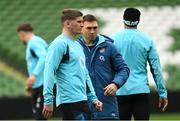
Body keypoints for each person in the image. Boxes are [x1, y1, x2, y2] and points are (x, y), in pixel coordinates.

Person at [42, 9, 103, 120]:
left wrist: (93, 98)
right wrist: (48, 100)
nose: (82, 24)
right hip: (69, 101)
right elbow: (49, 71)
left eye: (82, 21)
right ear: (68, 24)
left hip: (82, 99)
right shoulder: (59, 44)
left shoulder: (77, 45)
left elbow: (85, 74)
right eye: (79, 22)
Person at [111, 7, 168, 120]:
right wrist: (163, 94)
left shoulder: (113, 40)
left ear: (123, 20)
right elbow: (156, 69)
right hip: (140, 90)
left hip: (120, 90)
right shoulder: (147, 40)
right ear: (138, 21)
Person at [78, 14, 130, 120]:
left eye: (95, 28)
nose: (92, 31)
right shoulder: (75, 48)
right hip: (82, 105)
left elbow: (124, 69)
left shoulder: (109, 46)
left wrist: (115, 84)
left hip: (106, 105)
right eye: (89, 28)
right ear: (81, 29)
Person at [17, 23, 48, 120]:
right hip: (38, 85)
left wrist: (34, 75)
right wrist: (30, 85)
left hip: (42, 84)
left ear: (22, 34)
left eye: (19, 36)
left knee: (40, 117)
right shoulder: (36, 41)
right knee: (38, 116)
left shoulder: (34, 42)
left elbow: (43, 58)